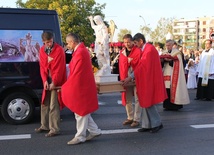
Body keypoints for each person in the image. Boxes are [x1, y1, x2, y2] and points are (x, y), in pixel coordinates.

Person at [122, 33, 167, 133]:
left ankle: (157, 123)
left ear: (141, 41)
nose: (135, 45)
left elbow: (141, 66)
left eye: (136, 43)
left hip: (149, 80)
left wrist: (130, 77)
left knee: (148, 102)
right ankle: (147, 125)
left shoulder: (149, 50)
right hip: (146, 79)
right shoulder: (147, 49)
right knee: (145, 102)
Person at [61, 33, 101, 145]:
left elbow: (77, 73)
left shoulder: (80, 53)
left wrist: (67, 86)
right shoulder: (81, 51)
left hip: (81, 87)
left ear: (72, 42)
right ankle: (94, 131)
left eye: (68, 43)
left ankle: (80, 136)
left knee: (80, 112)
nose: (68, 45)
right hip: (83, 86)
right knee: (83, 112)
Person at [35, 31, 67, 137]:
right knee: (44, 103)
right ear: (43, 42)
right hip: (48, 79)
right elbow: (42, 67)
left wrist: (54, 82)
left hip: (56, 80)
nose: (49, 44)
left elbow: (60, 68)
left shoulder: (59, 50)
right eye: (47, 42)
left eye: (51, 41)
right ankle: (44, 125)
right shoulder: (42, 50)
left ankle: (54, 128)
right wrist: (44, 80)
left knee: (54, 104)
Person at [119, 34, 142, 127]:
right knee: (127, 98)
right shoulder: (122, 52)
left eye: (128, 42)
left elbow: (140, 65)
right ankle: (130, 117)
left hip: (136, 77)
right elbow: (121, 65)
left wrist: (130, 61)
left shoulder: (138, 51)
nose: (127, 44)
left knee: (137, 99)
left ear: (132, 41)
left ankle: (137, 119)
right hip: (126, 78)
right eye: (125, 42)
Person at [161, 39, 190, 111]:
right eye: (166, 45)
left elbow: (180, 62)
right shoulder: (164, 52)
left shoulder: (177, 53)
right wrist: (164, 60)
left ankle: (175, 106)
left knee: (174, 89)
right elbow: (161, 63)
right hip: (166, 72)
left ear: (172, 45)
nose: (167, 47)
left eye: (169, 45)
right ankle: (167, 105)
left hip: (174, 73)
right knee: (167, 89)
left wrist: (171, 60)